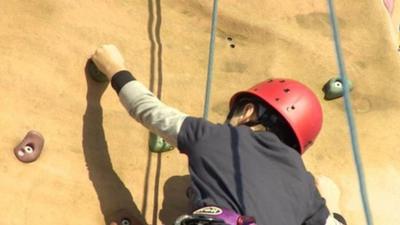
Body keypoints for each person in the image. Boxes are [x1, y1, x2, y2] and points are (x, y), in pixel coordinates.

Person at [91, 44, 347, 225]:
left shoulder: (215, 137)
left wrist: (114, 67)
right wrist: (332, 203)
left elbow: (147, 110)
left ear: (247, 112)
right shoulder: (306, 187)